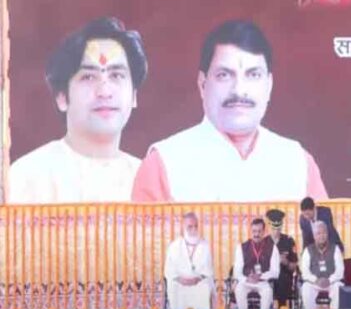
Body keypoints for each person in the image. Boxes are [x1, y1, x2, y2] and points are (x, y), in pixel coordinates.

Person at [132, 20, 328, 202]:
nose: (239, 90)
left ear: (269, 85)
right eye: (224, 75)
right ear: (202, 84)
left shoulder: (297, 162)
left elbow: (323, 228)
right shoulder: (164, 162)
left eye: (253, 75)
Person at [9, 17, 147, 203]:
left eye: (116, 75)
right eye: (88, 77)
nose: (104, 91)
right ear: (61, 97)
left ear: (134, 96)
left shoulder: (149, 181)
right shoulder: (26, 177)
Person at [164, 212, 214, 309]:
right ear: (183, 227)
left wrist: (197, 279)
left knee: (204, 288)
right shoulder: (174, 246)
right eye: (190, 227)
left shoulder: (204, 245)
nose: (193, 229)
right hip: (180, 282)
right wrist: (181, 279)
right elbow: (169, 270)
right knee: (175, 288)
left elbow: (208, 269)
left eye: (196, 226)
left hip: (198, 282)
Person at [233, 217, 280, 309]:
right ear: (251, 231)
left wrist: (261, 276)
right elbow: (236, 272)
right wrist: (246, 278)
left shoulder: (272, 247)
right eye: (254, 231)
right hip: (246, 281)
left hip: (263, 282)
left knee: (268, 292)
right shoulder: (242, 247)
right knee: (239, 290)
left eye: (259, 231)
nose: (256, 234)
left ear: (264, 232)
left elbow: (275, 271)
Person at [300, 220, 344, 309]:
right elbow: (304, 272)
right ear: (314, 236)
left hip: (331, 282)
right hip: (315, 283)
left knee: (339, 287)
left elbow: (340, 270)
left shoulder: (335, 249)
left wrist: (330, 280)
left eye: (324, 233)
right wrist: (316, 280)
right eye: (318, 233)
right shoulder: (308, 250)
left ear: (327, 234)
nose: (321, 236)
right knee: (305, 288)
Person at [265, 209, 298, 308]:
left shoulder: (288, 241)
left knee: (282, 282)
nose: (276, 231)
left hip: (284, 277)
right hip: (267, 277)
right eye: (273, 229)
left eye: (278, 229)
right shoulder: (264, 242)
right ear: (269, 226)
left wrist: (286, 262)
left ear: (282, 226)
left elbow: (294, 266)